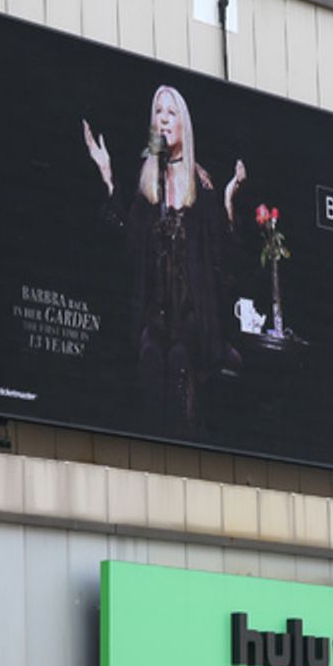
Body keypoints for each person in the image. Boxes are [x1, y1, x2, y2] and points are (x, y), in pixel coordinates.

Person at [83, 85, 245, 436]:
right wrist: (108, 178)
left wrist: (229, 200)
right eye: (158, 112)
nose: (164, 119)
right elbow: (125, 245)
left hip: (194, 321)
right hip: (154, 319)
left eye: (171, 112)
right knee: (151, 357)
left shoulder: (201, 186)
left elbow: (226, 256)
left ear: (183, 123)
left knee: (180, 360)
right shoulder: (148, 184)